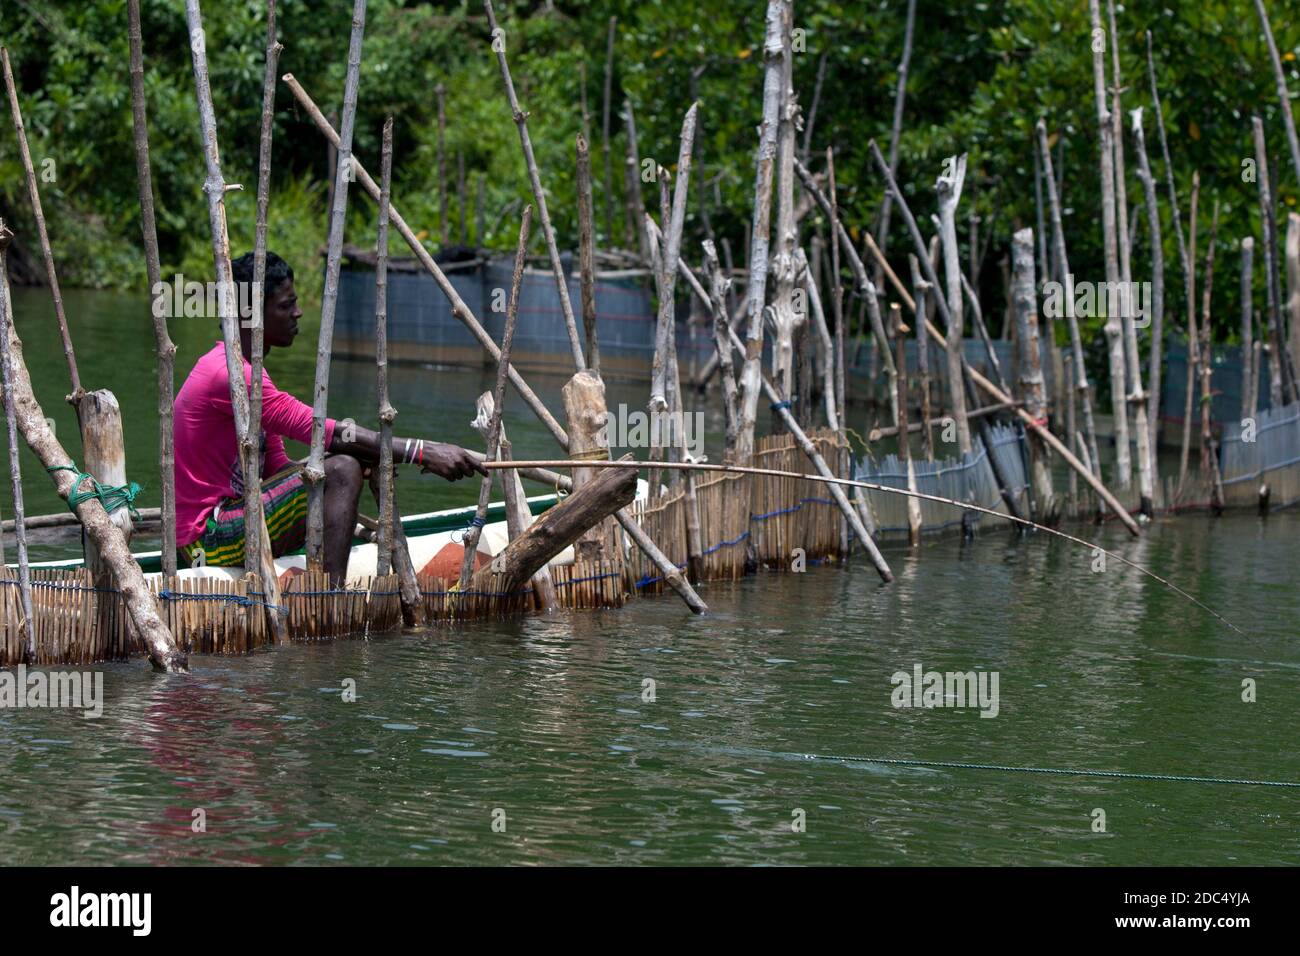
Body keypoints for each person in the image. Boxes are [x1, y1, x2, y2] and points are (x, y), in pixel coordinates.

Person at [172, 251, 485, 584]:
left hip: (233, 521)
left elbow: (278, 472)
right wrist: (421, 451)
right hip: (207, 538)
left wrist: (353, 454)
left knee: (342, 462)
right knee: (342, 469)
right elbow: (319, 430)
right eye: (284, 305)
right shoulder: (229, 374)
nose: (298, 312)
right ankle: (326, 600)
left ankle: (322, 583)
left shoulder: (251, 373)